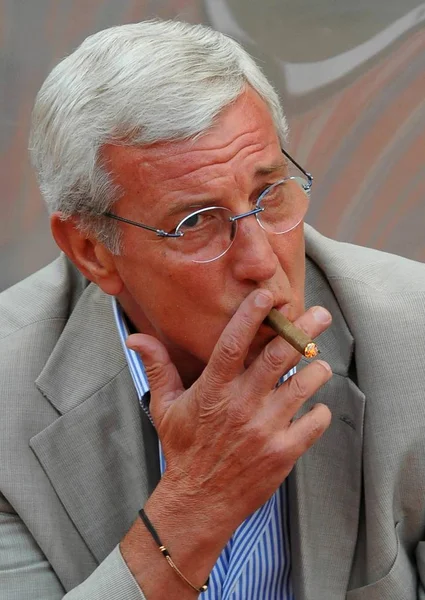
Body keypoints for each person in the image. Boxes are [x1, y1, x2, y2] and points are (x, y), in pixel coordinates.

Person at [0, 19, 424, 600]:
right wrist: (198, 505)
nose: (259, 260)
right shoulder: (7, 395)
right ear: (92, 251)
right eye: (195, 222)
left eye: (267, 195)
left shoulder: (413, 335)